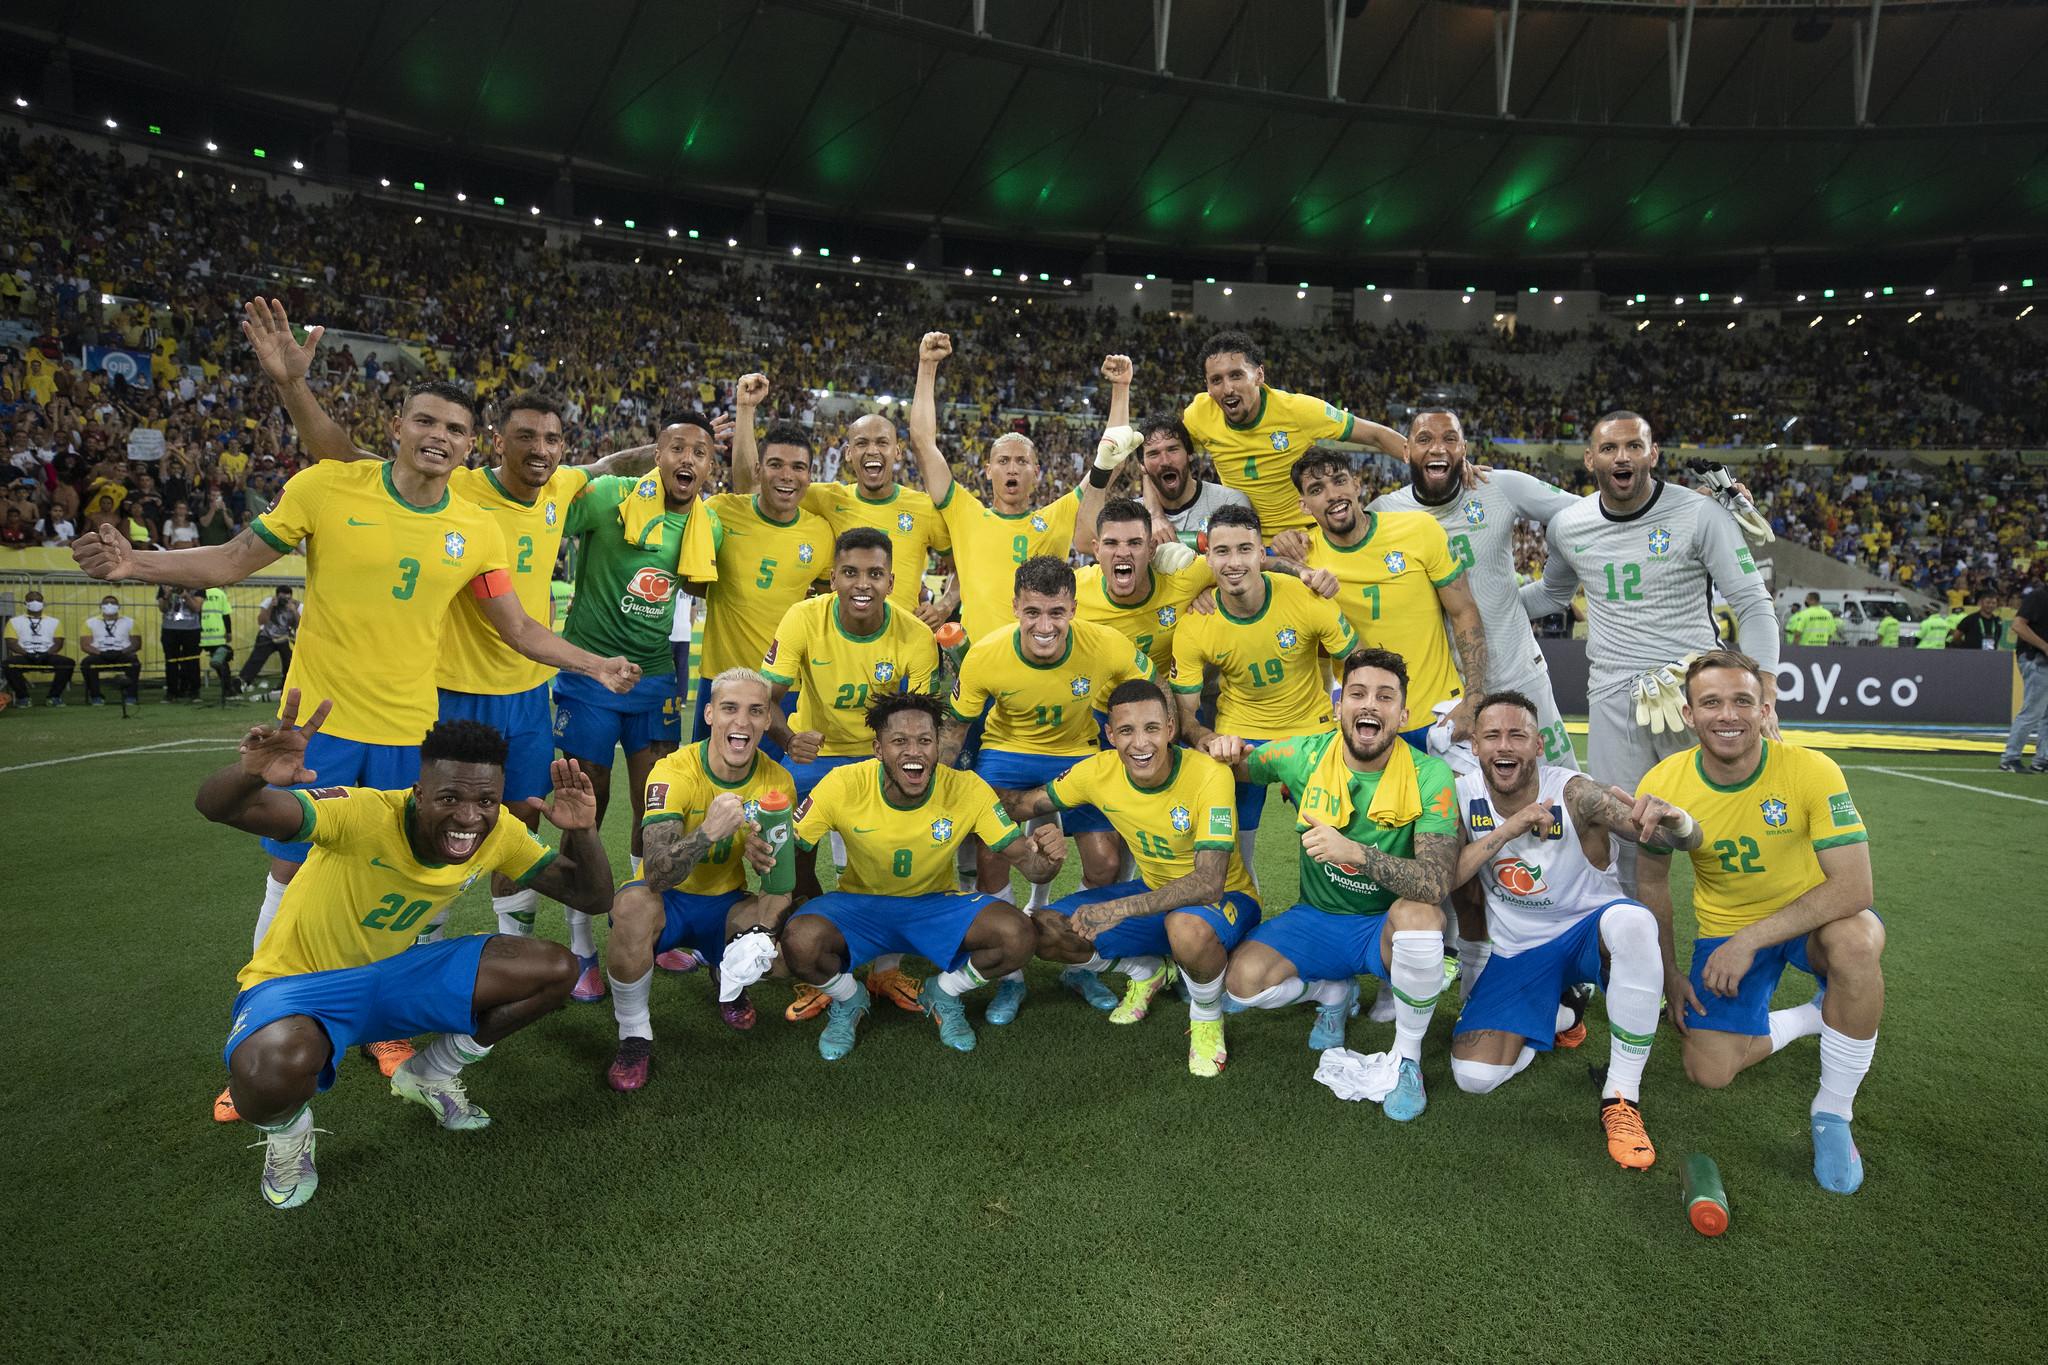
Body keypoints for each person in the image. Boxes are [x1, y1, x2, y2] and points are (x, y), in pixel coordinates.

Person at [72, 372, 638, 1101]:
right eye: (425, 421)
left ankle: (381, 1021)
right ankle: (258, 1019)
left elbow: (520, 627)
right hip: (323, 727)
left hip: (411, 732)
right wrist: (135, 563)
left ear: (470, 448)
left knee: (400, 871)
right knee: (289, 871)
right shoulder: (329, 487)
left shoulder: (478, 529)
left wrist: (594, 663)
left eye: (453, 429)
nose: (438, 437)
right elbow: (234, 558)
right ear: (397, 426)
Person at [198, 699, 611, 1209]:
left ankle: (429, 1073)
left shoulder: (499, 829)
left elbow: (592, 898)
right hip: (297, 988)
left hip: (393, 978)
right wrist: (249, 775)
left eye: (485, 801)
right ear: (418, 792)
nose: (468, 817)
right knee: (268, 1070)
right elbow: (221, 808)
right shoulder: (362, 812)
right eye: (450, 797)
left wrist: (584, 831)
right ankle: (289, 1138)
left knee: (554, 969)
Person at [1635, 651, 1885, 1194]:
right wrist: (1671, 975)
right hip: (1725, 927)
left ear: (1764, 706)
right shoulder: (1663, 781)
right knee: (1709, 1072)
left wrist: (1750, 940)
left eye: (1742, 700)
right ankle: (1812, 1016)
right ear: (1687, 714)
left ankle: (1833, 1113)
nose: (1728, 715)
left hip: (1809, 921)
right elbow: (1652, 885)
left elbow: (1854, 888)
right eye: (1711, 703)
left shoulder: (1810, 769)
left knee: (1858, 940)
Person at [1518, 412, 1778, 897]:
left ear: (1652, 455)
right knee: (1623, 838)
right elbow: (1552, 595)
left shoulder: (1701, 514)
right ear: (1590, 458)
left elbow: (1753, 605)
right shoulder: (1568, 526)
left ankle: (1748, 935)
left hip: (1693, 693)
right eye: (1611, 448)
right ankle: (1631, 961)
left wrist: (1765, 691)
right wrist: (1477, 606)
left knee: (1732, 825)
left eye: (1634, 446)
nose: (1623, 456)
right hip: (1614, 696)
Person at [1449, 692, 1703, 1169]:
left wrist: (1677, 820)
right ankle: (1565, 1009)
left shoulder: (1574, 792)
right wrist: (1507, 830)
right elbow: (1447, 878)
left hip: (1591, 933)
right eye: (1492, 736)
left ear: (1538, 744)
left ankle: (1621, 1099)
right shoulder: (1459, 794)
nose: (1505, 746)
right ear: (1475, 745)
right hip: (1519, 951)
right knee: (1472, 1076)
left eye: (1518, 735)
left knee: (1631, 922)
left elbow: (1667, 837)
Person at [1220, 648, 1458, 1120]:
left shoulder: (1431, 774)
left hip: (1384, 926)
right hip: (1317, 918)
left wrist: (1356, 853)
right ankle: (1332, 992)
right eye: (1358, 693)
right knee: (1242, 986)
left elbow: (1435, 882)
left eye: (1385, 697)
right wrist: (1221, 750)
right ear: (1338, 707)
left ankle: (1407, 1060)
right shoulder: (1300, 754)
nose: (1370, 705)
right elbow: (1240, 766)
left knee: (1422, 916)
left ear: (1402, 714)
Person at [782, 693, 1067, 1059]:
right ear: (878, 749)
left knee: (1018, 936)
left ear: (938, 746)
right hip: (858, 905)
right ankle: (849, 998)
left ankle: (944, 991)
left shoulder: (967, 788)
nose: (913, 751)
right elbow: (792, 849)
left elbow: (1030, 865)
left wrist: (1050, 860)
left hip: (933, 906)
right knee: (797, 940)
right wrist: (768, 847)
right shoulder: (842, 783)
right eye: (899, 741)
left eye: (924, 741)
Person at [999, 680, 1261, 1077]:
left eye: (1152, 728)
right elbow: (1023, 804)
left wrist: (1117, 908)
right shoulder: (1096, 772)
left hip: (1223, 900)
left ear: (1171, 729)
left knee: (1185, 926)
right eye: (1126, 731)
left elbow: (1209, 882)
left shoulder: (1209, 775)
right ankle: (1146, 970)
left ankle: (1206, 1018)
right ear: (1110, 735)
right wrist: (955, 793)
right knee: (1043, 930)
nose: (1141, 743)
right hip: (1154, 895)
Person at [941, 555, 1155, 1013]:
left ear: (1073, 610)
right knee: (991, 851)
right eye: (1033, 612)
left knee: (1106, 862)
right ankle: (1010, 974)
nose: (1045, 625)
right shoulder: (984, 656)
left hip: (1079, 755)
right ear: (1015, 606)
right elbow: (955, 733)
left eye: (1056, 612)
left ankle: (1077, 966)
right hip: (1006, 754)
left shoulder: (1106, 645)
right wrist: (934, 793)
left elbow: (1154, 692)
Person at [759, 526, 942, 1017]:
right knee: (786, 851)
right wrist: (788, 740)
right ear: (833, 577)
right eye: (851, 572)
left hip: (881, 759)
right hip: (811, 758)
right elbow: (766, 700)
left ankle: (884, 971)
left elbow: (922, 720)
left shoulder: (916, 636)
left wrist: (894, 760)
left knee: (890, 854)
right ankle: (825, 961)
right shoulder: (802, 617)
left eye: (875, 574)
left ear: (891, 580)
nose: (863, 583)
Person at [606, 668, 796, 1088]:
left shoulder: (778, 781)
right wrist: (708, 833)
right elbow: (655, 874)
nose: (741, 723)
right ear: (708, 714)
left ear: (768, 721)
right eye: (729, 708)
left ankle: (726, 976)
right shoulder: (673, 771)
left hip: (725, 902)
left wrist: (762, 927)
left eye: (755, 711)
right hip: (667, 902)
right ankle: (634, 1033)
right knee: (632, 905)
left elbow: (780, 886)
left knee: (786, 950)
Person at [1365, 409, 1582, 769]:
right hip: (1442, 695)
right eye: (1425, 440)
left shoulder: (1500, 487)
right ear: (1406, 452)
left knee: (1561, 792)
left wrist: (1553, 589)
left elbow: (1584, 516)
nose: (1438, 448)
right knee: (1464, 811)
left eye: (1449, 439)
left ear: (1464, 449)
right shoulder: (1384, 513)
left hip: (1519, 674)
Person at [1171, 503, 1357, 867]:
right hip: (1238, 739)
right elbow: (1184, 712)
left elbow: (1357, 664)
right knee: (1232, 858)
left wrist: (1347, 723)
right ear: (1207, 559)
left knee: (1337, 851)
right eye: (1222, 551)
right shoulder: (1195, 623)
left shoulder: (1305, 596)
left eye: (1244, 549)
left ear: (1261, 553)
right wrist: (1206, 739)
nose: (1234, 562)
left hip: (1312, 735)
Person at [1276, 449, 1491, 745]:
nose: (1332, 495)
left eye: (1339, 481)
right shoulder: (1304, 557)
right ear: (1304, 504)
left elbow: (1463, 610)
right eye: (1316, 489)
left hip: (1442, 716)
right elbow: (1244, 560)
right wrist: (1281, 553)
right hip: (1368, 730)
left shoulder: (1420, 530)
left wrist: (1475, 697)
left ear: (1356, 483)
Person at [730, 371, 957, 626]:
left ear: (897, 452)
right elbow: (749, 490)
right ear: (848, 453)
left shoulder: (923, 507)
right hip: (840, 650)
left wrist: (944, 606)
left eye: (882, 443)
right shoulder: (827, 498)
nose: (872, 450)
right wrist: (746, 408)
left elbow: (963, 566)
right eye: (862, 443)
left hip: (903, 651)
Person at [909, 332, 1084, 643]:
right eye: (1003, 461)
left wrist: (1120, 388)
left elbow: (1104, 470)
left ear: (1037, 472)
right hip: (979, 664)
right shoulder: (964, 511)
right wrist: (927, 366)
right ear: (988, 471)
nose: (1013, 468)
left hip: (1040, 658)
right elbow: (923, 443)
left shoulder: (1058, 515)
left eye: (1022, 461)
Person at [695, 419, 833, 761]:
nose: (787, 475)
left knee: (773, 798)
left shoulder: (821, 534)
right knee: (709, 789)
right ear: (758, 470)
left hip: (783, 690)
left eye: (798, 467)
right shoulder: (720, 512)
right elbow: (693, 578)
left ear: (810, 475)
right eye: (776, 465)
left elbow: (825, 597)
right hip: (720, 680)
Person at [1181, 330, 1405, 539]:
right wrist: (1154, 511)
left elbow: (1377, 436)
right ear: (1208, 386)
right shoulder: (1199, 414)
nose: (1228, 388)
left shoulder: (1298, 410)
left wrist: (1429, 465)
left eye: (1236, 375)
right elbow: (1157, 456)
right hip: (1246, 537)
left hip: (1305, 536)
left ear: (1259, 375)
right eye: (1216, 380)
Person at [1131, 413, 1249, 548]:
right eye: (1154, 454)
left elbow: (1241, 560)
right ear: (1142, 465)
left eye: (1173, 449)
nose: (1165, 461)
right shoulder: (1132, 517)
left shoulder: (1229, 502)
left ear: (1190, 454)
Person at [2001, 579, 2048, 774]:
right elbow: (2018, 625)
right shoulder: (2040, 596)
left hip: (2041, 659)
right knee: (2032, 711)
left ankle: (2042, 759)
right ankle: (2010, 758)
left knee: (2045, 714)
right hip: (2035, 658)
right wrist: (2044, 646)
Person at [5, 588, 72, 705]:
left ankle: (54, 697)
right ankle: (23, 697)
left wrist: (47, 654)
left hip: (47, 655)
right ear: (26, 603)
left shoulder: (54, 622)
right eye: (31, 600)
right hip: (25, 655)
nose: (35, 602)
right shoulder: (14, 621)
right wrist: (27, 654)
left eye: (38, 600)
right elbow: (11, 642)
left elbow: (58, 642)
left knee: (67, 663)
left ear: (43, 603)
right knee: (8, 664)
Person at [79, 593, 141, 705]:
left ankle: (131, 696)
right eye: (106, 603)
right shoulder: (90, 623)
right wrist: (100, 653)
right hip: (100, 654)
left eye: (113, 603)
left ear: (119, 606)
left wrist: (122, 652)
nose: (109, 605)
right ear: (100, 606)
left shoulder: (130, 622)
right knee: (87, 664)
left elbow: (136, 644)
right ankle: (96, 696)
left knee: (134, 662)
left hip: (122, 653)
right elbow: (85, 645)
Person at [238, 585, 298, 693]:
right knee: (257, 658)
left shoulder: (297, 605)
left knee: (289, 662)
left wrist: (294, 611)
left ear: (292, 598)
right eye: (282, 599)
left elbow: (300, 625)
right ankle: (242, 682)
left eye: (287, 599)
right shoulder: (269, 602)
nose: (284, 601)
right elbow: (261, 621)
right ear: (276, 597)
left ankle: (287, 686)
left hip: (285, 638)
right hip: (267, 636)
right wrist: (271, 607)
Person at [158, 584, 203, 701]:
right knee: (171, 661)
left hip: (191, 629)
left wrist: (186, 596)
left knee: (192, 661)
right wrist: (167, 595)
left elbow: (197, 608)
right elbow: (163, 609)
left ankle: (194, 691)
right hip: (170, 629)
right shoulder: (164, 586)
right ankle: (171, 692)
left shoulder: (198, 585)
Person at [200, 583, 236, 698]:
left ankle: (190, 693)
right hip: (216, 636)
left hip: (198, 634)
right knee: (222, 666)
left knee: (190, 664)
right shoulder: (219, 594)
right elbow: (226, 615)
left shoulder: (195, 592)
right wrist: (229, 632)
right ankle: (228, 691)